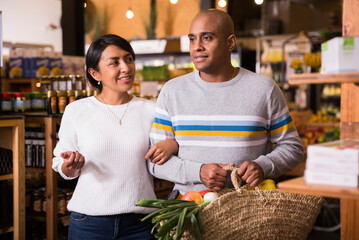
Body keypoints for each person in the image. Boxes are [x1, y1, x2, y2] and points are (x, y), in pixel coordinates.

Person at [147, 9, 304, 194]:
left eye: (206, 38)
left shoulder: (264, 89)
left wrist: (264, 166)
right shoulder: (172, 91)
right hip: (188, 210)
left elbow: (292, 148)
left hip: (248, 210)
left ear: (230, 42)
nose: (197, 46)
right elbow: (155, 162)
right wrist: (197, 172)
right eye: (192, 39)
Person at [52, 34, 178, 240]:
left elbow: (168, 153)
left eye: (128, 59)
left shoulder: (152, 110)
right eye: (114, 63)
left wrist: (173, 144)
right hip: (89, 223)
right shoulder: (76, 110)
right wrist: (70, 165)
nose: (126, 67)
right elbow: (62, 165)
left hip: (142, 224)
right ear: (95, 73)